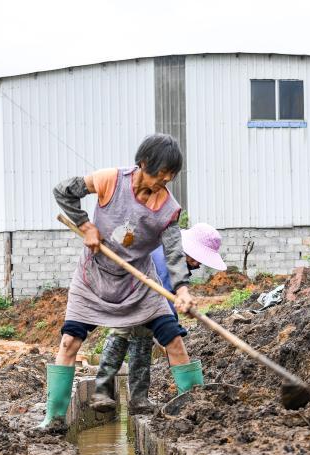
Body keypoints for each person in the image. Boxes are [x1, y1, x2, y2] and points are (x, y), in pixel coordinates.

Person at [44, 133, 205, 430]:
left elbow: (172, 251)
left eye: (171, 176)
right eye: (161, 173)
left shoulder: (168, 209)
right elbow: (63, 191)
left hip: (139, 284)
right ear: (143, 164)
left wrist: (182, 289)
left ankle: (199, 411)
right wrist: (86, 225)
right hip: (92, 279)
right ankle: (53, 419)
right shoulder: (109, 180)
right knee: (69, 342)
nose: (165, 181)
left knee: (174, 340)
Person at [90, 222, 228, 414]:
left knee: (142, 341)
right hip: (128, 292)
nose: (198, 264)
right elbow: (164, 303)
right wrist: (172, 333)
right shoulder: (166, 259)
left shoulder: (175, 259)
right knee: (121, 335)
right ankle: (103, 391)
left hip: (144, 299)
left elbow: (170, 296)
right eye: (197, 259)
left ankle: (138, 400)